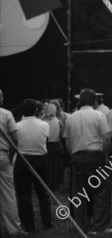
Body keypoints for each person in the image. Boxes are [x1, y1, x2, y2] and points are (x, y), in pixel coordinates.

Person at [64, 89, 112, 234]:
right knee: (101, 193)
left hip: (78, 156)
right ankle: (99, 227)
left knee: (79, 194)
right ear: (95, 101)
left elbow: (67, 140)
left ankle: (81, 226)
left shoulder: (70, 117)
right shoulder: (99, 115)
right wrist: (107, 156)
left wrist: (73, 155)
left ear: (80, 101)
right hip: (96, 156)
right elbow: (107, 138)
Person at [14, 99, 52, 233]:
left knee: (24, 194)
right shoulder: (44, 125)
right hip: (40, 159)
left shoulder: (17, 125)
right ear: (36, 110)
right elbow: (45, 141)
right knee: (43, 192)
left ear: (22, 110)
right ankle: (47, 222)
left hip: (22, 159)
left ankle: (28, 225)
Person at [0, 89, 24, 236]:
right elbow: (15, 139)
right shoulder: (6, 114)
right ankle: (12, 228)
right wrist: (11, 156)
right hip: (2, 156)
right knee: (7, 194)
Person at [41, 102, 64, 191]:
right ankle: (55, 185)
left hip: (46, 145)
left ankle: (47, 184)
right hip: (56, 145)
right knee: (55, 166)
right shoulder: (59, 122)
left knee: (47, 167)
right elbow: (62, 136)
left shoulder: (43, 122)